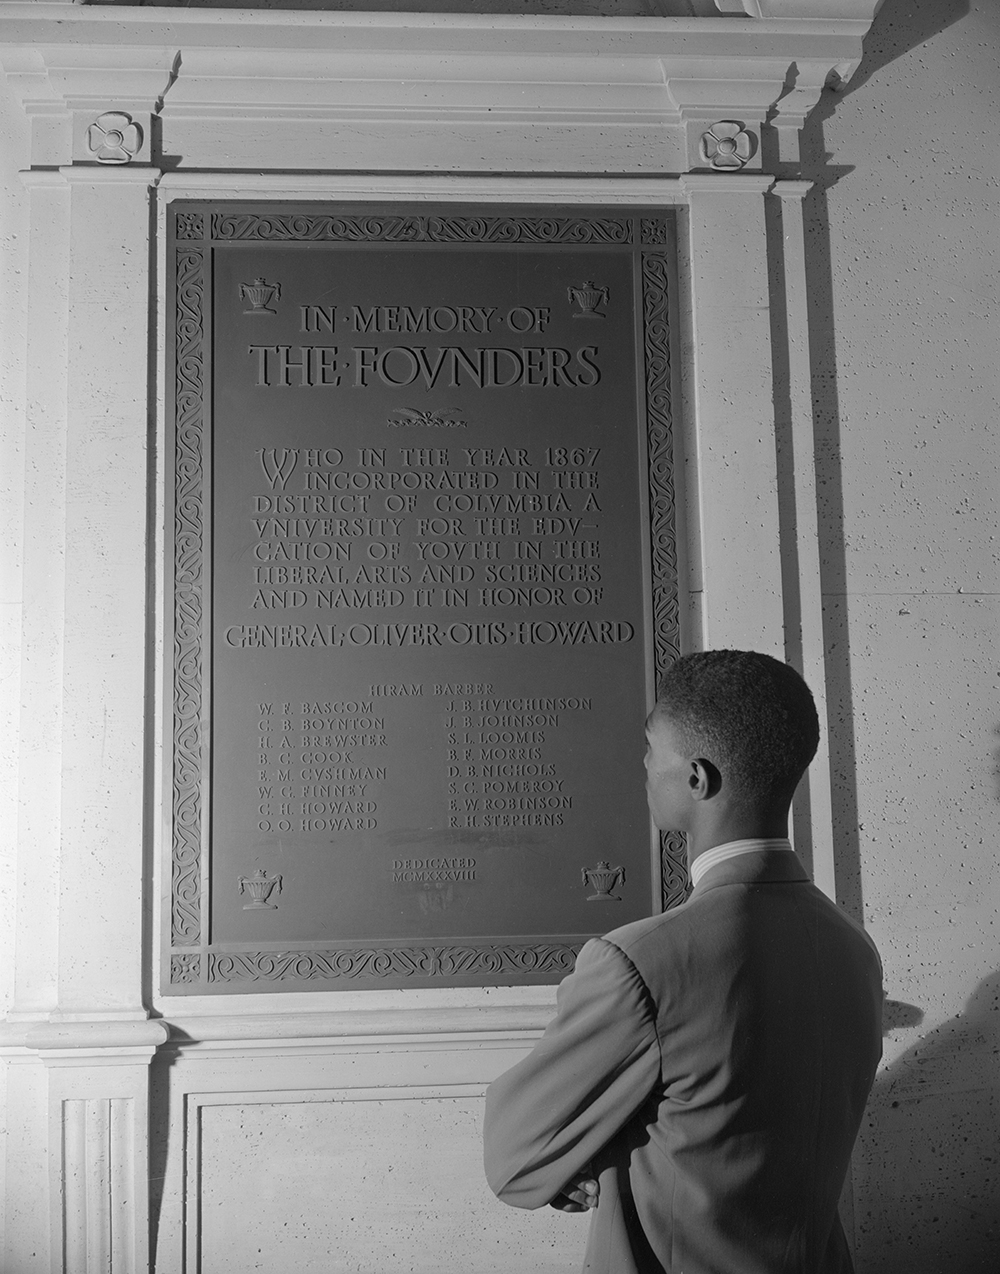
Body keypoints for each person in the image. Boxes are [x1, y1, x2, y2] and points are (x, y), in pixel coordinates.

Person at [483, 649, 883, 1274]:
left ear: (697, 779)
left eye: (650, 750)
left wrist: (584, 1150)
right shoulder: (853, 948)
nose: (642, 768)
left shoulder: (639, 963)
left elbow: (515, 1160)